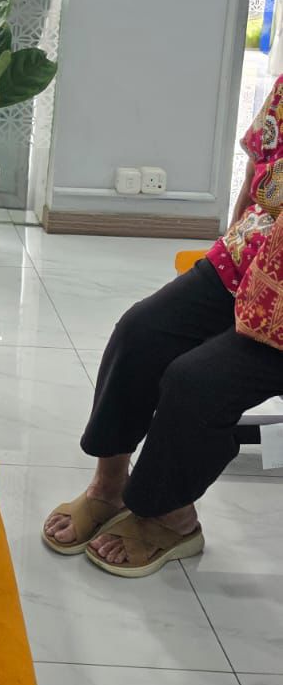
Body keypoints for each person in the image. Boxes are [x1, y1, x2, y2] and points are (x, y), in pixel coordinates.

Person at [42, 74, 283, 577]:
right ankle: (108, 488)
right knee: (141, 333)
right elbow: (257, 165)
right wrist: (231, 241)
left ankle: (171, 517)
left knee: (196, 382)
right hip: (250, 259)